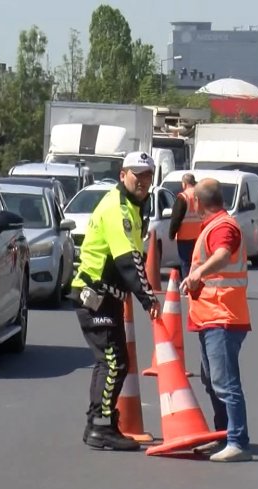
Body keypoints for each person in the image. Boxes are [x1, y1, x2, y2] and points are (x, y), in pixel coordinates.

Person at [71, 151, 162, 451]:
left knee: (113, 361)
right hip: (94, 295)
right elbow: (128, 261)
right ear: (123, 175)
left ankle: (97, 425)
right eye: (138, 176)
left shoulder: (134, 207)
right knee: (113, 362)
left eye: (148, 177)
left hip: (107, 296)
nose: (144, 182)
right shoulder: (118, 208)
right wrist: (148, 298)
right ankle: (101, 427)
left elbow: (134, 258)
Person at [179, 178, 253, 462]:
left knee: (225, 382)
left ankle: (237, 441)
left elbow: (222, 255)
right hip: (212, 316)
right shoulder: (216, 225)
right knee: (213, 381)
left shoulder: (222, 226)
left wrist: (198, 274)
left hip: (222, 316)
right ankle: (224, 436)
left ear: (197, 202)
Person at [167, 173, 201, 279]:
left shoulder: (183, 197)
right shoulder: (201, 196)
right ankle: (198, 285)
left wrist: (171, 234)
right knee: (198, 262)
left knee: (186, 263)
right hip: (199, 236)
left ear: (184, 184)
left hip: (185, 236)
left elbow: (176, 218)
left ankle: (188, 287)